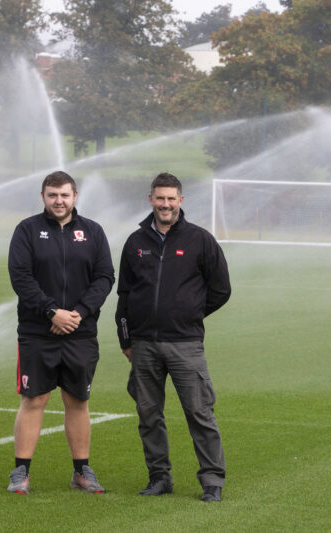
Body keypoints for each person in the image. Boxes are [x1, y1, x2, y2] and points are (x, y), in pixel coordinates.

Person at [115, 172, 231, 502]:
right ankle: (159, 477)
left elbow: (221, 290)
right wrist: (126, 340)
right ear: (150, 200)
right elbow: (124, 295)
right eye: (159, 198)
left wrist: (189, 314)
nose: (165, 204)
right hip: (144, 345)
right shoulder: (136, 242)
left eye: (171, 198)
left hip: (185, 344)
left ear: (181, 201)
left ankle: (212, 481)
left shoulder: (200, 240)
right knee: (149, 415)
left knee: (200, 413)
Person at [6, 170, 115, 495]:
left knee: (77, 400)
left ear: (75, 196)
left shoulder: (93, 232)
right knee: (34, 399)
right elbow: (20, 276)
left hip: (80, 332)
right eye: (53, 195)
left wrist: (78, 314)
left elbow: (105, 276)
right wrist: (52, 311)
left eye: (64, 195)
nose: (59, 200)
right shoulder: (27, 230)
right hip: (37, 332)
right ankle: (21, 472)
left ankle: (82, 471)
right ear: (43, 197)